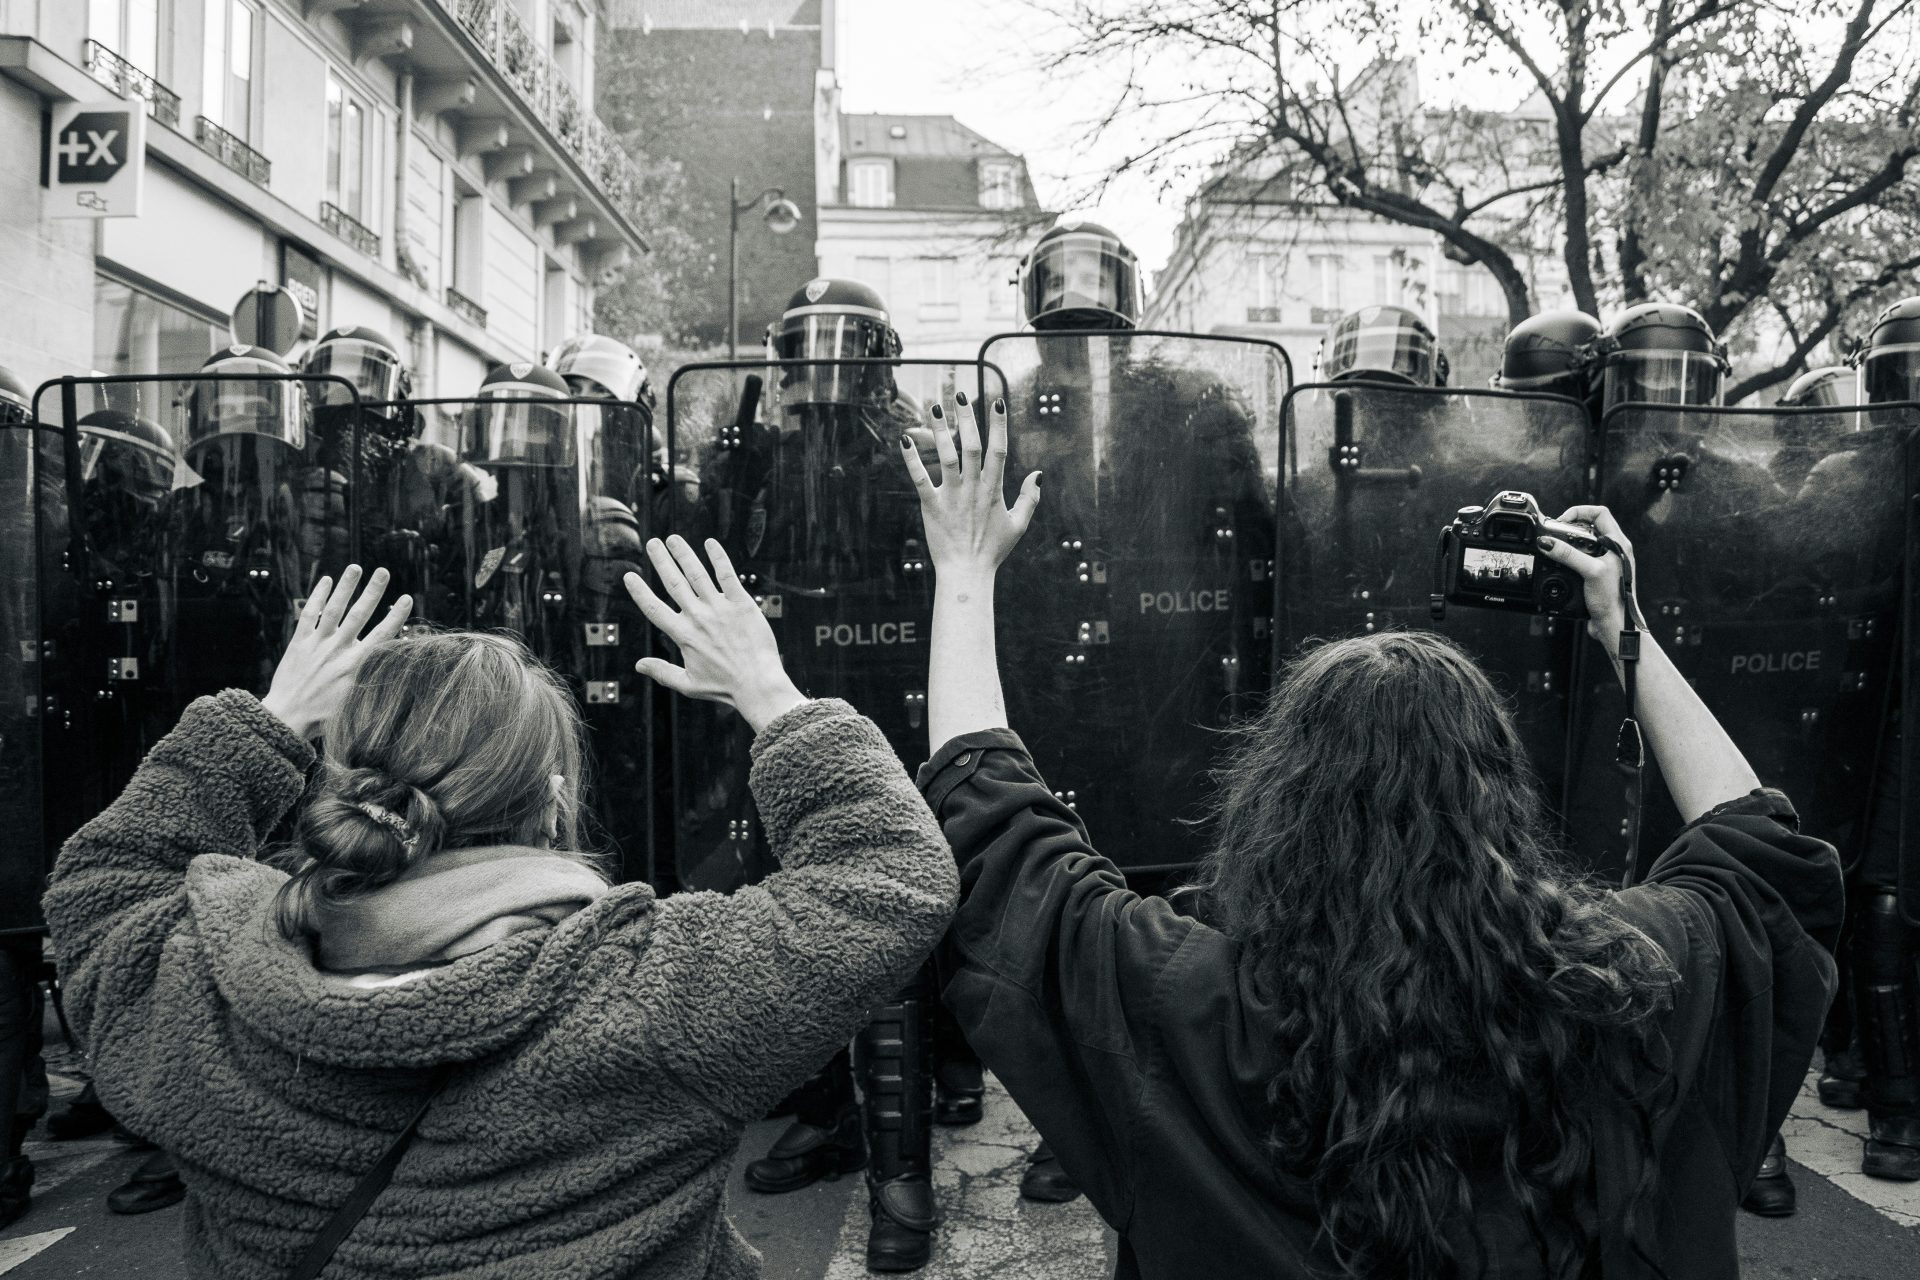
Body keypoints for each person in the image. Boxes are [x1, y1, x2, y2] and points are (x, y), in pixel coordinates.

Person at [897, 396, 1843, 1278]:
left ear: (1279, 805)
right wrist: (1623, 626)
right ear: (1498, 797)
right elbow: (1758, 850)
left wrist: (968, 578)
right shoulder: (1627, 985)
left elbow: (999, 836)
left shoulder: (1188, 1002)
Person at [40, 549, 957, 1278]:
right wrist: (769, 693)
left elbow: (103, 879)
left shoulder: (202, 982)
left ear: (344, 777)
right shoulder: (655, 998)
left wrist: (269, 717)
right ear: (556, 800)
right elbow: (891, 874)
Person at [730, 278, 974, 1271]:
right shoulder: (767, 449)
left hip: (892, 691)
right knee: (799, 894)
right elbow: (735, 552)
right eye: (806, 349)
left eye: (842, 347)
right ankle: (837, 1097)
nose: (821, 369)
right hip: (791, 687)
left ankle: (896, 1167)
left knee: (890, 904)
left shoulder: (907, 447)